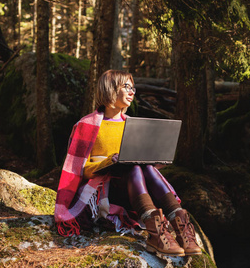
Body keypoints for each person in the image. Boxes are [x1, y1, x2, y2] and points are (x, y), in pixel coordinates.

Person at [54, 69, 201, 257]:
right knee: (134, 168)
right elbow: (78, 171)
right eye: (127, 87)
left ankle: (182, 229)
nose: (132, 92)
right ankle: (155, 232)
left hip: (132, 192)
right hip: (102, 193)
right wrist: (108, 162)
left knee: (143, 166)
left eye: (134, 88)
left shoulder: (133, 125)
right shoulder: (86, 125)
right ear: (110, 89)